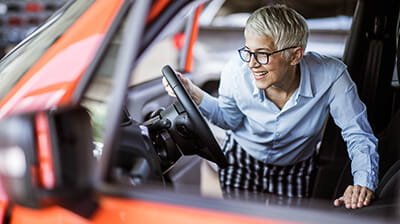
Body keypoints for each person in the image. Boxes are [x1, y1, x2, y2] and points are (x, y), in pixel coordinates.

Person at [163, 4, 378, 209]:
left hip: (295, 167)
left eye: (263, 54)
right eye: (248, 51)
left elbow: (357, 133)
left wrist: (364, 181)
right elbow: (229, 120)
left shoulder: (332, 76)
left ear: (295, 55)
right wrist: (193, 91)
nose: (251, 63)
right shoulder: (235, 71)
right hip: (242, 159)